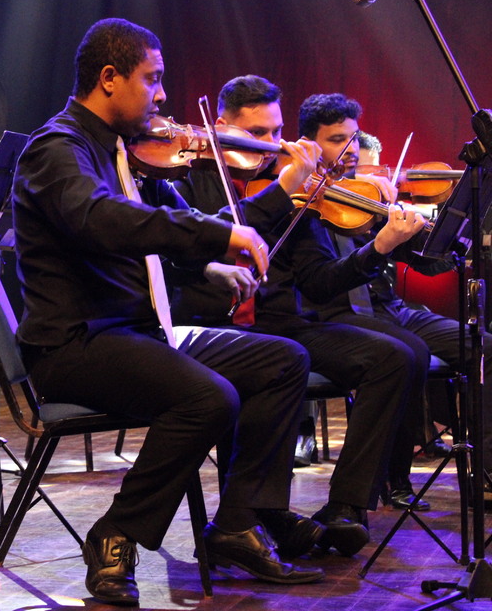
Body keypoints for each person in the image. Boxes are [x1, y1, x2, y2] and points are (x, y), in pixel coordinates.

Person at [13, 19, 324, 606]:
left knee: (284, 361)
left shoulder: (121, 152)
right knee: (210, 397)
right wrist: (216, 237)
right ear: (109, 79)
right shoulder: (56, 151)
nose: (161, 96)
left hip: (139, 332)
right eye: (152, 80)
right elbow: (101, 220)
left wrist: (208, 264)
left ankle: (237, 522)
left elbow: (157, 228)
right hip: (75, 344)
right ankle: (117, 532)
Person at [171, 75, 427, 557]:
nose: (273, 146)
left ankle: (347, 506)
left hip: (287, 321)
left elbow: (317, 282)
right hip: (218, 324)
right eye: (259, 134)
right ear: (222, 126)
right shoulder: (189, 177)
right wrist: (282, 192)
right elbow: (199, 244)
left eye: (277, 132)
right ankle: (259, 516)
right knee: (281, 359)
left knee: (394, 357)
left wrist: (378, 248)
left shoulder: (299, 188)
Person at [297, 93, 490, 508]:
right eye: (337, 141)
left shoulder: (367, 197)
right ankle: (395, 479)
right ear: (309, 144)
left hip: (390, 309)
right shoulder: (302, 207)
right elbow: (321, 285)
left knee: (483, 343)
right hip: (337, 315)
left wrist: (444, 241)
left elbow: (427, 263)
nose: (349, 153)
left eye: (353, 140)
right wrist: (381, 244)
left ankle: (487, 474)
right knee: (405, 353)